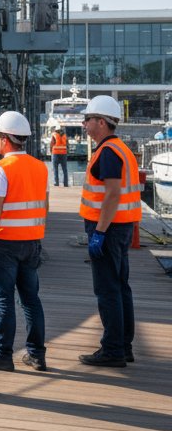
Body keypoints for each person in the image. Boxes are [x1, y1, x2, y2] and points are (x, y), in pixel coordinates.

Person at [0, 112, 48, 372]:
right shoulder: (40, 167)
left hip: (5, 243)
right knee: (31, 300)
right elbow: (44, 206)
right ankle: (37, 354)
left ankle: (2, 355)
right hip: (32, 243)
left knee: (3, 300)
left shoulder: (1, 169)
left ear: (5, 139)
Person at [78, 95, 140, 367]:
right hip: (121, 226)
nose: (84, 124)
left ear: (101, 122)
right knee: (120, 286)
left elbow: (113, 194)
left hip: (109, 229)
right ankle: (123, 345)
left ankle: (113, 349)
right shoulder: (120, 149)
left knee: (107, 289)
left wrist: (99, 233)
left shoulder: (108, 153)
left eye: (88, 119)